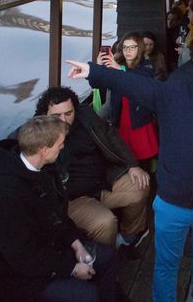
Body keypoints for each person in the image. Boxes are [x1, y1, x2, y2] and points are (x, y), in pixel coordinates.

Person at [67, 55, 193, 302]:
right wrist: (94, 72)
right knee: (166, 265)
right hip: (171, 203)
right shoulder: (177, 94)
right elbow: (137, 86)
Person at [0, 116, 119, 302]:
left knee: (107, 258)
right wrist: (72, 268)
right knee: (87, 296)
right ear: (44, 150)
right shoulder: (4, 195)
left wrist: (77, 244)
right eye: (60, 144)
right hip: (17, 276)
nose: (63, 147)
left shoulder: (44, 169)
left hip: (49, 251)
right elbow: (22, 256)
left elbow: (57, 216)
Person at [33, 87, 150, 250]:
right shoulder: (38, 135)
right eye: (56, 116)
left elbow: (110, 134)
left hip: (103, 181)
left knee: (140, 184)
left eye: (68, 113)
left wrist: (132, 164)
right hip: (72, 198)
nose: (64, 120)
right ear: (45, 114)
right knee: (106, 222)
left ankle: (128, 237)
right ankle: (104, 258)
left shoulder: (85, 115)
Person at [99, 32, 159, 170]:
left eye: (132, 47)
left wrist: (120, 69)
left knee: (143, 162)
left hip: (139, 121)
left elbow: (143, 80)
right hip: (121, 120)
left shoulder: (147, 65)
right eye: (125, 48)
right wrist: (99, 68)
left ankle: (147, 187)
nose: (128, 51)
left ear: (140, 48)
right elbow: (97, 85)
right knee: (124, 159)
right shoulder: (117, 64)